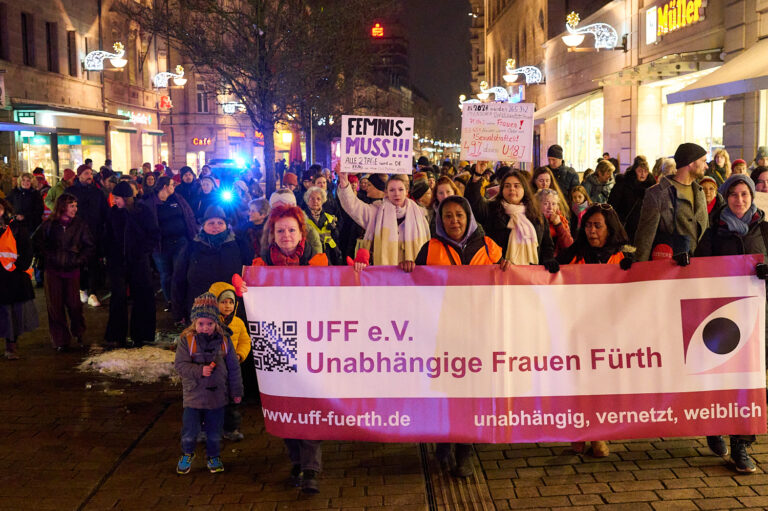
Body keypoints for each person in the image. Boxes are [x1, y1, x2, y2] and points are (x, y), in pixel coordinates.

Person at [403, 196, 507, 478]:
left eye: (459, 214)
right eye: (448, 216)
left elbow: (509, 279)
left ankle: (464, 452)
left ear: (469, 216)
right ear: (440, 220)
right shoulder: (430, 248)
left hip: (479, 334)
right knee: (448, 394)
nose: (454, 221)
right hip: (445, 334)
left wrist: (510, 268)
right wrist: (407, 270)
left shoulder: (489, 247)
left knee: (472, 395)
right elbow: (415, 287)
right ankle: (444, 443)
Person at [695, 174, 767, 473]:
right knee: (720, 376)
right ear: (727, 197)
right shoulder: (713, 233)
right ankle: (714, 424)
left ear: (752, 197)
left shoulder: (763, 229)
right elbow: (696, 273)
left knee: (747, 381)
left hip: (755, 316)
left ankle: (740, 445)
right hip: (721, 319)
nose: (739, 199)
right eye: (734, 194)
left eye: (744, 194)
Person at [251, 204, 326, 492]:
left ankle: (310, 469)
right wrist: (246, 290)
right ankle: (296, 460)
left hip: (311, 344)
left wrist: (350, 271)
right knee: (284, 407)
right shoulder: (261, 265)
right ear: (271, 235)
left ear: (301, 233)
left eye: (291, 230)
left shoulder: (318, 260)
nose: (285, 235)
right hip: (277, 345)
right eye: (280, 230)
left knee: (308, 406)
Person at [556, 203, 634, 458]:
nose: (592, 231)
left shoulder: (624, 256)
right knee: (578, 385)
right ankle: (579, 432)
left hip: (611, 332)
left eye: (597, 226)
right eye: (588, 225)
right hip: (579, 330)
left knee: (601, 386)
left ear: (610, 229)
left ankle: (597, 434)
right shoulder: (573, 254)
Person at [174, 292, 243, 475]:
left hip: (217, 397)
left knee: (214, 433)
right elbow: (180, 366)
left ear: (216, 323)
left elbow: (234, 369)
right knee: (189, 432)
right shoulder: (187, 341)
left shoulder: (224, 341)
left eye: (210, 324)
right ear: (194, 323)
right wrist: (199, 371)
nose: (205, 328)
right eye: (201, 324)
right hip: (194, 397)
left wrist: (236, 391)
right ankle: (187, 453)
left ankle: (213, 456)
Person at [32, 193, 94, 352]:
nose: (75, 209)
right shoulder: (49, 225)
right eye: (72, 206)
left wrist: (80, 259)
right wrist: (48, 255)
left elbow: (89, 245)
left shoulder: (80, 225)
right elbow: (36, 242)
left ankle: (79, 333)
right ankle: (60, 340)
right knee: (55, 306)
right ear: (63, 207)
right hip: (53, 271)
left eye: (76, 205)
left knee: (74, 305)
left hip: (72, 270)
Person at [103, 182, 160, 349]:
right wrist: (108, 254)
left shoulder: (142, 212)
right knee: (118, 298)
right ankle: (117, 335)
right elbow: (107, 236)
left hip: (138, 261)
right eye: (114, 198)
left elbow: (154, 234)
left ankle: (140, 335)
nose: (115, 201)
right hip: (118, 263)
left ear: (127, 198)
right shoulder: (113, 213)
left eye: (118, 198)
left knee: (142, 296)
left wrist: (142, 251)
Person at [465, 168, 558, 270]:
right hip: (501, 274)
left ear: (524, 189)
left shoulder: (536, 215)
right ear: (502, 190)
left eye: (516, 186)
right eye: (507, 186)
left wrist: (548, 259)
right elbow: (474, 203)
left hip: (531, 275)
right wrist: (477, 175)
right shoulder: (491, 210)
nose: (512, 189)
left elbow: (547, 244)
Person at [172, 206, 251, 325]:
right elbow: (179, 280)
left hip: (231, 311)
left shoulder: (239, 244)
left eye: (220, 222)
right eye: (211, 223)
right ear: (203, 226)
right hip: (199, 312)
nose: (216, 226)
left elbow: (249, 274)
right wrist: (178, 311)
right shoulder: (191, 247)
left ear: (226, 225)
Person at [634, 143, 709, 262]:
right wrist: (639, 270)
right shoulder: (657, 194)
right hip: (671, 268)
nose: (706, 166)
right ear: (690, 162)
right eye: (703, 161)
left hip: (699, 268)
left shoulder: (699, 192)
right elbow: (645, 238)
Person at [337, 173, 430, 268]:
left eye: (401, 189)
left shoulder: (420, 213)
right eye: (392, 190)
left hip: (411, 275)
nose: (396, 193)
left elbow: (427, 248)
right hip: (384, 275)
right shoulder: (376, 211)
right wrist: (344, 181)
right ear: (386, 192)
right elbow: (354, 207)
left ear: (407, 191)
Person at [143, 176, 198, 309]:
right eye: (172, 184)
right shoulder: (150, 203)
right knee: (166, 274)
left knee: (179, 272)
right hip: (161, 245)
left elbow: (189, 216)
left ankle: (179, 301)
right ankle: (170, 301)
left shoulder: (178, 199)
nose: (174, 186)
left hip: (180, 242)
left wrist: (194, 234)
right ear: (165, 187)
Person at [208, 282, 250, 442]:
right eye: (223, 302)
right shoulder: (205, 323)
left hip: (232, 370)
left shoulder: (238, 323)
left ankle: (230, 428)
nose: (227, 306)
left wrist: (240, 355)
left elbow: (246, 341)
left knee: (232, 401)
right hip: (211, 370)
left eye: (231, 302)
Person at [0, 198, 38, 359]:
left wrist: (21, 267)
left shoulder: (15, 227)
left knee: (11, 314)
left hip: (12, 277)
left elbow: (27, 249)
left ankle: (11, 346)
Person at [69, 165, 109, 307]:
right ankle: (82, 289)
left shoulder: (97, 192)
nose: (89, 176)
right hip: (76, 234)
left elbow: (105, 212)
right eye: (86, 173)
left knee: (93, 263)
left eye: (91, 173)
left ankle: (93, 292)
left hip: (94, 233)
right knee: (79, 262)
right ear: (79, 175)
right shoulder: (71, 192)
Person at [608, 157, 656, 243]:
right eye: (640, 171)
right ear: (634, 171)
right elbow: (612, 205)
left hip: (645, 228)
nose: (643, 174)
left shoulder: (652, 187)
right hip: (626, 227)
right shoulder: (623, 184)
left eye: (645, 171)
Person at [302, 187, 341, 265]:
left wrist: (334, 230)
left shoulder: (330, 217)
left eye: (318, 199)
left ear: (322, 201)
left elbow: (337, 238)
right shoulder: (302, 217)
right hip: (310, 253)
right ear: (307, 201)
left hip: (329, 254)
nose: (315, 201)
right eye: (312, 198)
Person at [535, 188, 573, 257]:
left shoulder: (562, 221)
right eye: (546, 203)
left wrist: (558, 225)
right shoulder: (533, 221)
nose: (550, 207)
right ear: (537, 205)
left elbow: (569, 247)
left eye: (553, 204)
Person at [237, 198, 269, 262]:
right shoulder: (245, 228)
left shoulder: (269, 230)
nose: (249, 213)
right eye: (250, 210)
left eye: (253, 211)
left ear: (263, 215)